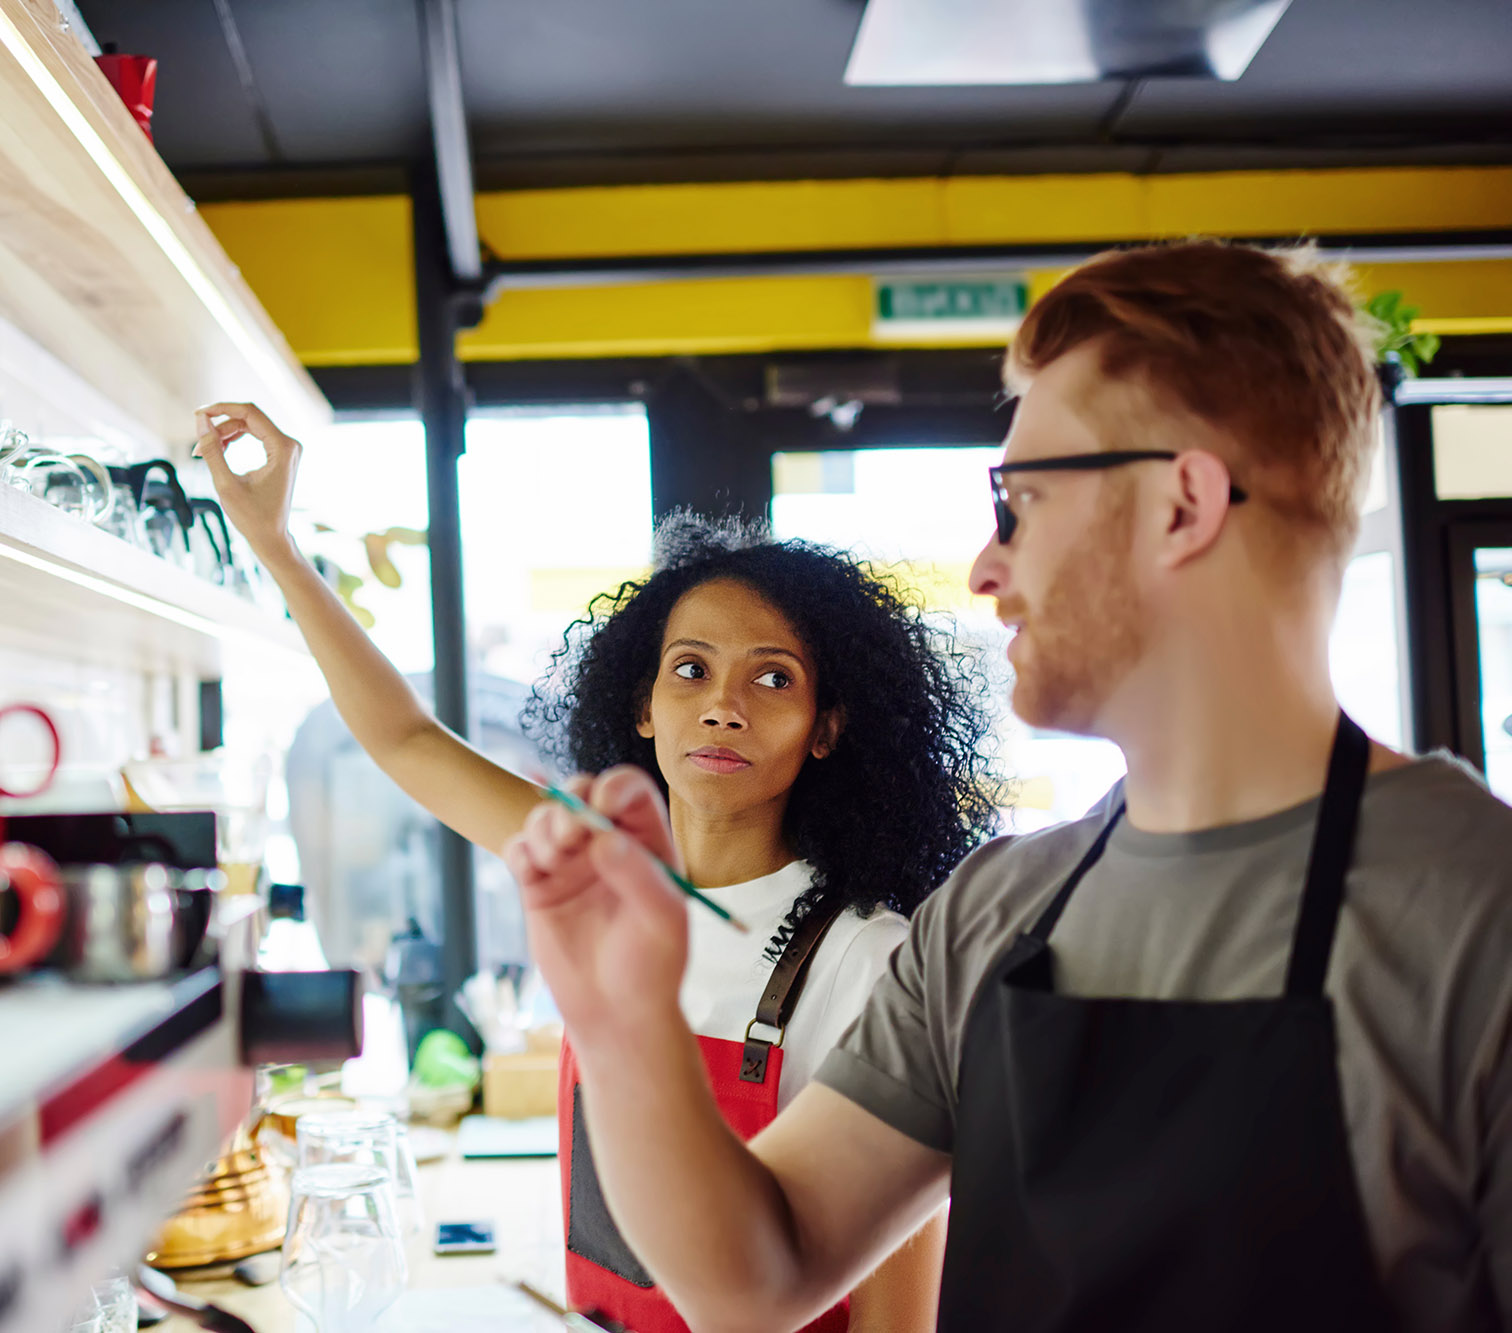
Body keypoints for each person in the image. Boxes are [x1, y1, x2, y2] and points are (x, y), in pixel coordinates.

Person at [503, 239, 1512, 1333]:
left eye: (1017, 502)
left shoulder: (1478, 917)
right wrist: (620, 1022)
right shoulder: (991, 914)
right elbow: (757, 1275)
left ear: (1181, 504)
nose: (986, 567)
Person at [194, 403, 1001, 1332]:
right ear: (645, 706)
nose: (725, 706)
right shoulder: (596, 873)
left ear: (826, 729)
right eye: (690, 669)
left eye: (772, 677)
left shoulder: (870, 961)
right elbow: (406, 738)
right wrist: (276, 544)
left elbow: (899, 1325)